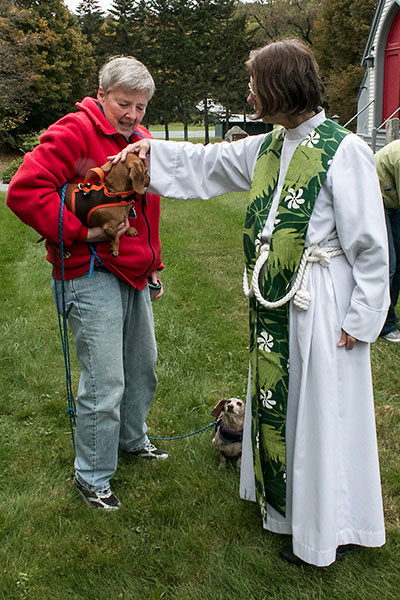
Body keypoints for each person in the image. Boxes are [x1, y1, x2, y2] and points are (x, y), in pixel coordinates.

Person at [112, 39, 389, 566]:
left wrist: (365, 315)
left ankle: (330, 526)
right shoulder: (268, 146)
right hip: (277, 306)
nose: (250, 92)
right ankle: (288, 511)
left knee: (323, 413)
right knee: (283, 407)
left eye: (256, 83)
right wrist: (152, 151)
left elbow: (371, 244)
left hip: (323, 307)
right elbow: (207, 164)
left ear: (282, 87)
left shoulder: (343, 149)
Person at [6, 56, 168, 512]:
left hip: (133, 270)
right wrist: (82, 233)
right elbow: (24, 192)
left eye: (141, 106)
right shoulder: (73, 131)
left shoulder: (141, 140)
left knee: (142, 366)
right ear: (101, 95)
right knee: (104, 380)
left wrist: (154, 263)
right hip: (87, 271)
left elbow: (147, 211)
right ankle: (92, 476)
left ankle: (133, 440)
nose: (133, 115)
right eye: (124, 104)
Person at [375, 140, 400, 342]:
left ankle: (390, 314)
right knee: (388, 263)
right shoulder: (399, 157)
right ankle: (383, 323)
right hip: (377, 201)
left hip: (394, 201)